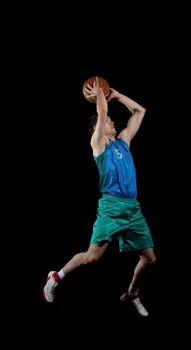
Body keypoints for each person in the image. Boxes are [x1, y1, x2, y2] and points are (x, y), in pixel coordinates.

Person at [43, 78, 156, 317]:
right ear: (98, 127)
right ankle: (56, 276)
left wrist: (116, 94)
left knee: (149, 259)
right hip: (112, 206)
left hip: (132, 208)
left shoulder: (124, 142)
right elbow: (102, 110)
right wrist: (99, 96)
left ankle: (132, 293)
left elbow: (140, 111)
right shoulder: (98, 145)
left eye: (111, 119)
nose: (112, 120)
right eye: (107, 120)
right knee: (92, 257)